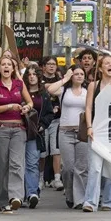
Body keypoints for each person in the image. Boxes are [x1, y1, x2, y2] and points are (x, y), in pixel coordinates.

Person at [0, 56, 32, 212]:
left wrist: (26, 107)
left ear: (13, 69)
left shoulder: (19, 84)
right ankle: (2, 200)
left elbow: (30, 102)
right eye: (3, 65)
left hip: (18, 130)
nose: (6, 67)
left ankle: (15, 197)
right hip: (0, 129)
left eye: (9, 65)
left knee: (16, 164)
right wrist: (8, 106)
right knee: (1, 166)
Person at [82, 54, 111, 212]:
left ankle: (109, 201)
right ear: (101, 68)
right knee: (95, 167)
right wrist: (89, 126)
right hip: (97, 130)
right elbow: (89, 107)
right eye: (107, 63)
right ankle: (90, 201)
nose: (110, 66)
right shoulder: (94, 85)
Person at [46, 66, 88, 209]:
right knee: (68, 168)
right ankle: (70, 194)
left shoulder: (87, 91)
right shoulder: (64, 91)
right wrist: (65, 79)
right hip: (65, 132)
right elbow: (50, 90)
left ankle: (80, 199)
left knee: (81, 168)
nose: (79, 76)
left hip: (82, 132)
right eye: (76, 74)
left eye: (82, 74)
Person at [24, 64, 54, 208]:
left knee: (32, 163)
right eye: (29, 74)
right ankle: (21, 193)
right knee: (18, 164)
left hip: (35, 133)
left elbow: (49, 113)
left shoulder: (44, 95)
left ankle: (32, 193)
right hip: (20, 130)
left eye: (34, 74)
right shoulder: (21, 92)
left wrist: (42, 124)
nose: (32, 77)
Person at [39, 56, 63, 191]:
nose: (52, 66)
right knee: (43, 152)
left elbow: (59, 91)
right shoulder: (39, 79)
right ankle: (40, 178)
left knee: (56, 150)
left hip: (57, 119)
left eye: (54, 64)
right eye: (49, 64)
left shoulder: (59, 79)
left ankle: (57, 178)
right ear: (43, 66)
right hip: (43, 119)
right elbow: (46, 89)